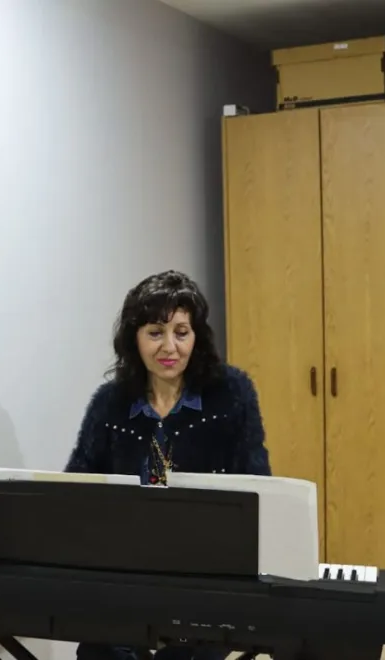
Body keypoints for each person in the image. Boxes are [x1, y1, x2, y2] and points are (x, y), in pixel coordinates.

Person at [65, 270, 270, 660]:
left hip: (207, 571)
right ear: (134, 338)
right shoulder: (109, 402)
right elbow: (77, 485)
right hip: (125, 571)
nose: (170, 347)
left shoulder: (232, 393)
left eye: (181, 331)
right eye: (155, 332)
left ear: (197, 335)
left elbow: (259, 482)